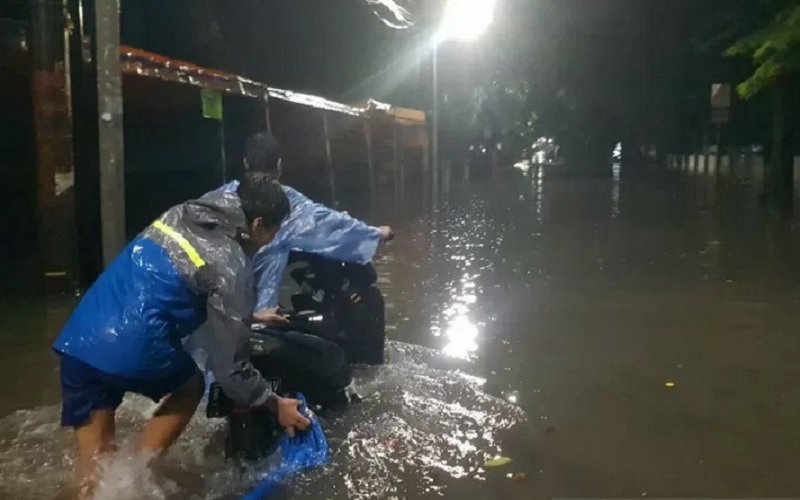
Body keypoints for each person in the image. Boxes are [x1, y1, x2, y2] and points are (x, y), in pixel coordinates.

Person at [52, 173, 310, 496]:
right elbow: (230, 372)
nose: (271, 240)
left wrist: (250, 315)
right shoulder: (231, 265)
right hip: (130, 351)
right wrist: (274, 403)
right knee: (192, 386)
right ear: (257, 224)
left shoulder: (184, 212)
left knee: (95, 471)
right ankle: (139, 470)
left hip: (80, 343)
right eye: (272, 231)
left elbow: (180, 285)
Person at [220, 132, 393, 317]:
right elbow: (332, 224)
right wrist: (376, 233)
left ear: (245, 163)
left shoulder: (221, 196)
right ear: (279, 166)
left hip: (217, 310)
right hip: (261, 314)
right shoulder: (287, 203)